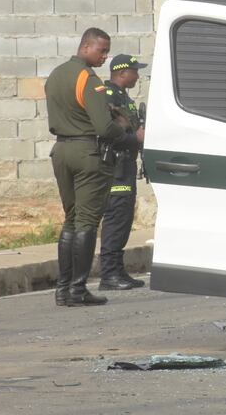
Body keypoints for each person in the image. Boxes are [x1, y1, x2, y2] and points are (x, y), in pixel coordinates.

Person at [45, 28, 132, 307]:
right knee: (86, 222)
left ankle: (63, 289)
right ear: (85, 47)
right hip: (86, 152)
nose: (104, 56)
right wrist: (123, 129)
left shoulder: (56, 74)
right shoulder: (88, 78)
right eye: (101, 50)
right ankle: (78, 289)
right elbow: (103, 127)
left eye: (107, 51)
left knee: (71, 220)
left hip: (61, 150)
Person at [98, 54, 148, 290]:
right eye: (134, 71)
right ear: (121, 72)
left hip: (126, 163)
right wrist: (134, 137)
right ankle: (108, 274)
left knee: (124, 218)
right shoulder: (108, 96)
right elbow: (106, 132)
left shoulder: (123, 97)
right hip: (115, 166)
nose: (137, 75)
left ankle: (117, 270)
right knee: (116, 218)